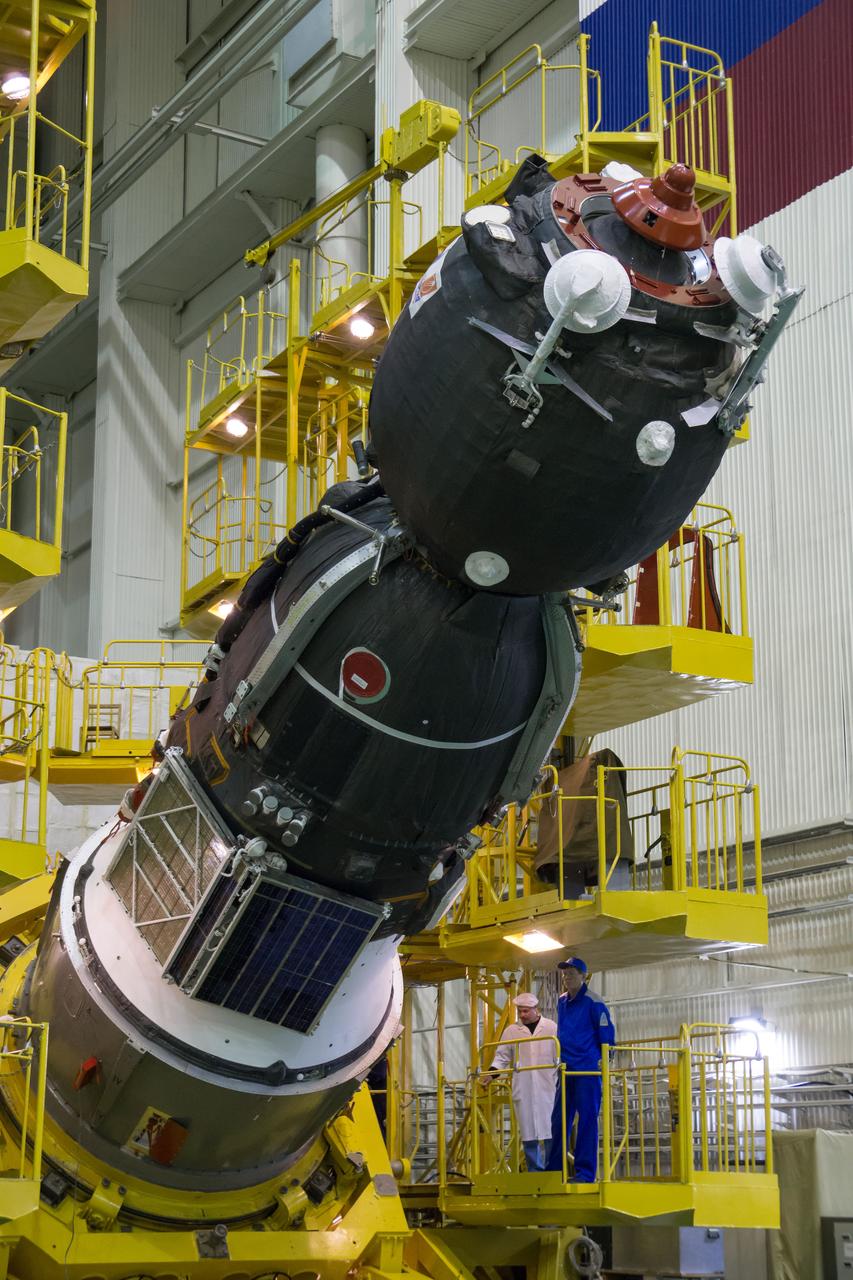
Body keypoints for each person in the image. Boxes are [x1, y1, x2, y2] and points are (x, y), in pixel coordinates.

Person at [546, 956, 616, 1181]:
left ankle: (585, 1173)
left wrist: (604, 1062)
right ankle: (555, 1171)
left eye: (572, 973)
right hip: (566, 1070)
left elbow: (607, 1036)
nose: (566, 977)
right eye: (565, 973)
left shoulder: (595, 1002)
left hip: (587, 1071)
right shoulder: (562, 1001)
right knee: (559, 1121)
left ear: (583, 976)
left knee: (587, 1121)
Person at [486, 992, 558, 1172]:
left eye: (526, 1011)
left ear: (536, 1009)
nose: (522, 1015)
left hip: (548, 1087)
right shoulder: (511, 1031)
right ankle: (535, 1173)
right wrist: (492, 1074)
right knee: (528, 1132)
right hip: (524, 1088)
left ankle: (553, 1172)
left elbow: (562, 1053)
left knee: (551, 1131)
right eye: (520, 1011)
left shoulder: (551, 1027)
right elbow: (502, 1057)